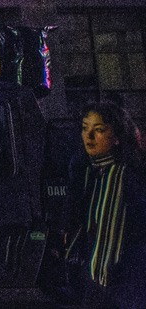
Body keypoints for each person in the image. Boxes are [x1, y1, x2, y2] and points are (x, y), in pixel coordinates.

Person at [64, 101, 146, 309]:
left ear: (117, 137)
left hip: (123, 285)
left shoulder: (129, 175)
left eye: (98, 130)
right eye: (85, 128)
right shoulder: (88, 173)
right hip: (93, 281)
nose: (89, 137)